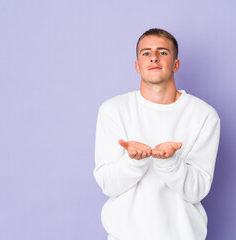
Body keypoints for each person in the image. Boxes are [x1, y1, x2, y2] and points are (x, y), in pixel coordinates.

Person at [94, 28, 220, 240]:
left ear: (176, 64)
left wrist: (170, 162)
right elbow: (108, 184)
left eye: (162, 52)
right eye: (146, 53)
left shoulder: (204, 115)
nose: (153, 57)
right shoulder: (113, 110)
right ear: (137, 66)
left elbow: (196, 191)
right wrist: (133, 161)